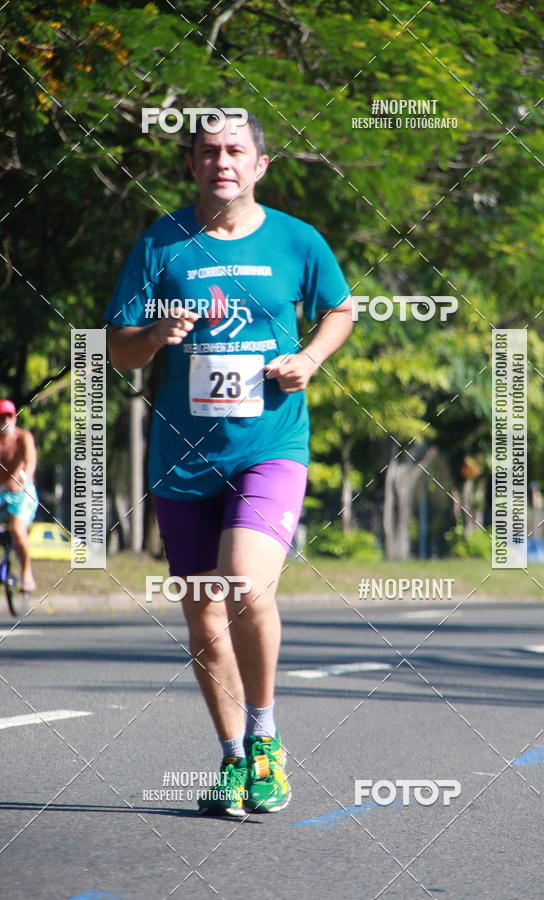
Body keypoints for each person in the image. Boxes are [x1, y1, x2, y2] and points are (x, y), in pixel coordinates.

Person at [104, 109, 353, 816]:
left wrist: (309, 357)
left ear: (261, 164)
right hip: (183, 458)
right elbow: (117, 348)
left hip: (269, 445)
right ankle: (233, 758)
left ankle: (267, 734)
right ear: (191, 164)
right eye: (209, 151)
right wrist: (153, 335)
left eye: (236, 150)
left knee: (244, 583)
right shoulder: (160, 244)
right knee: (204, 616)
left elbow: (340, 309)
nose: (223, 162)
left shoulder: (297, 241)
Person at [0, 399, 38, 592]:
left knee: (17, 529)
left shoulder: (23, 437)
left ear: (14, 417)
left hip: (22, 493)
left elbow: (30, 464)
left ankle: (27, 574)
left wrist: (21, 479)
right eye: (1, 417)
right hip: (1, 493)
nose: (5, 420)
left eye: (8, 416)